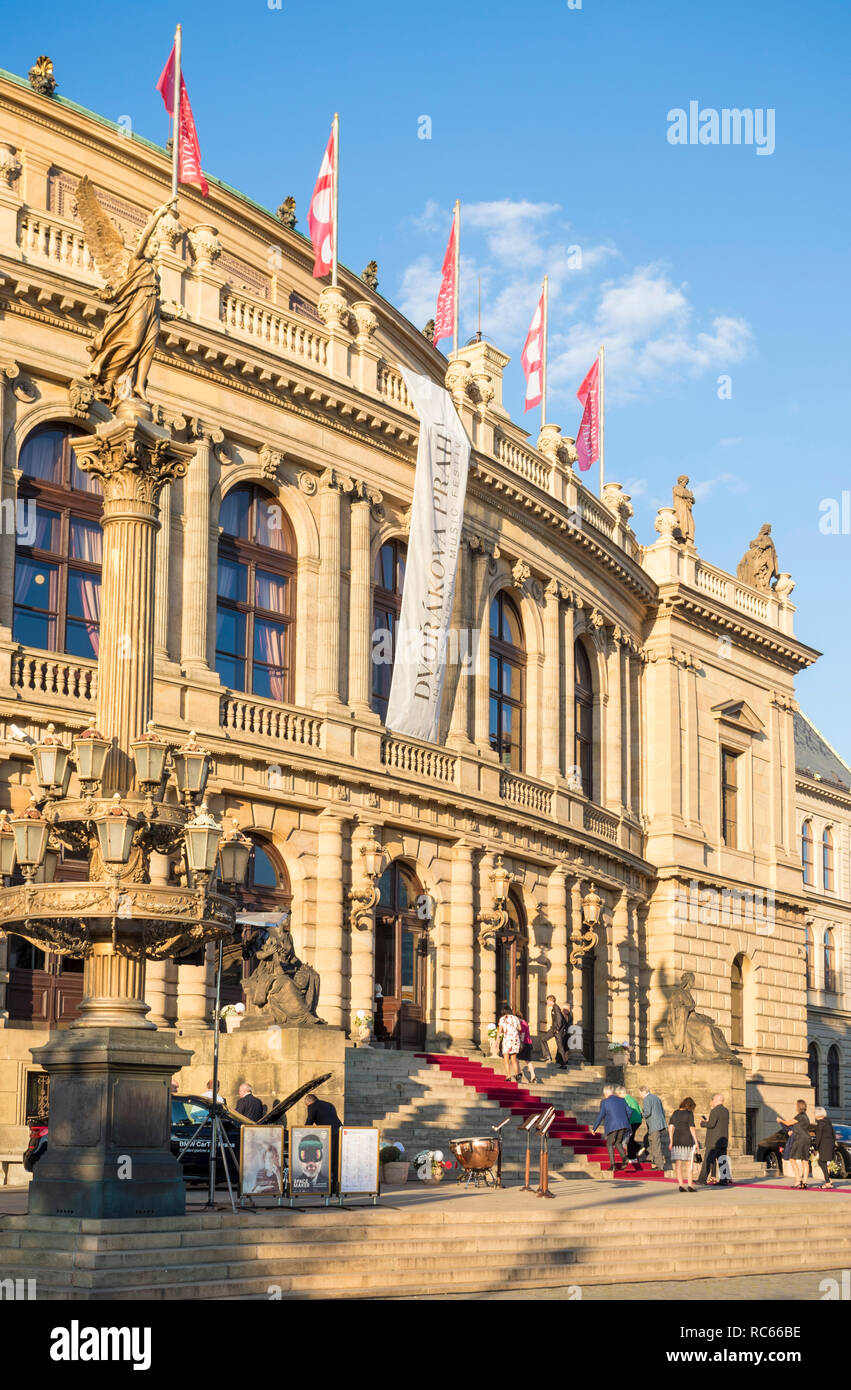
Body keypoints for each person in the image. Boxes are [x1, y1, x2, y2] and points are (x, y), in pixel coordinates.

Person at [591, 1084, 637, 1173]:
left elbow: (601, 1115)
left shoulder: (604, 1102)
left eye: (604, 1093)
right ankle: (624, 1158)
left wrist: (594, 1128)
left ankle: (613, 1165)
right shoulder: (622, 1100)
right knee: (618, 1142)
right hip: (623, 1125)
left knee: (609, 1144)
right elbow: (630, 1111)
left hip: (612, 1125)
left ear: (606, 1093)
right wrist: (625, 1119)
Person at [776, 1100, 812, 1189]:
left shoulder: (800, 1116)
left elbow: (788, 1123)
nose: (795, 1107)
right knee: (805, 1161)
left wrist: (780, 1120)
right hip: (806, 1139)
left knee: (792, 1158)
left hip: (799, 1139)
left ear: (798, 1107)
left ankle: (798, 1180)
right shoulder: (806, 1117)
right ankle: (804, 1182)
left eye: (796, 1105)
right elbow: (800, 1127)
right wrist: (793, 1131)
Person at [697, 1093, 730, 1185]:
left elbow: (711, 1124)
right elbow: (718, 1124)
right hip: (723, 1140)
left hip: (713, 1141)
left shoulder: (715, 1110)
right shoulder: (726, 1111)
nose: (712, 1102)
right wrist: (709, 1121)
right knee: (722, 1160)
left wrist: (703, 1123)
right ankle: (724, 1181)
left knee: (708, 1160)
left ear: (716, 1100)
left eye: (713, 1100)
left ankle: (702, 1180)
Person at [668, 1096, 700, 1192]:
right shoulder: (689, 1114)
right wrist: (696, 1141)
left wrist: (671, 1140)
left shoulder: (675, 1112)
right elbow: (691, 1128)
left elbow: (670, 1127)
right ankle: (690, 1185)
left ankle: (681, 1185)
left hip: (677, 1139)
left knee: (678, 1164)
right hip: (687, 1139)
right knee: (688, 1163)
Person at [638, 1085, 671, 1171]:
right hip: (659, 1124)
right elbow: (662, 1111)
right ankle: (650, 1159)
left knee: (656, 1145)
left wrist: (640, 1115)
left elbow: (647, 1112)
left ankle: (659, 1166)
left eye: (640, 1093)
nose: (640, 1096)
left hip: (654, 1125)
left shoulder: (646, 1099)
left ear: (643, 1092)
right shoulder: (656, 1097)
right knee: (650, 1141)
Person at [539, 994, 570, 1067]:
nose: (547, 1002)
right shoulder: (554, 1008)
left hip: (557, 1031)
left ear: (551, 1001)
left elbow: (560, 1019)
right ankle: (547, 1056)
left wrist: (557, 1029)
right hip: (554, 1029)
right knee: (543, 1039)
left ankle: (563, 1064)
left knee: (560, 1047)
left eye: (547, 1001)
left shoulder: (556, 1008)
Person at [497, 1002, 522, 1083]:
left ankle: (508, 1076)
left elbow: (500, 1031)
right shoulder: (515, 1018)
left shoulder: (502, 1018)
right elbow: (520, 1028)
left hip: (507, 1039)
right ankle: (516, 1073)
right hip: (515, 1039)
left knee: (506, 1059)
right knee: (514, 1059)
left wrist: (497, 1041)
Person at [812, 1106, 837, 1190]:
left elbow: (818, 1137)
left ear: (817, 1114)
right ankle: (828, 1181)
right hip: (830, 1144)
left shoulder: (820, 1123)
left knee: (821, 1162)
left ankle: (827, 1182)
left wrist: (816, 1147)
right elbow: (833, 1134)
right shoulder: (828, 1122)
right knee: (822, 1162)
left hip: (824, 1145)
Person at [617, 1085, 643, 1160]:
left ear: (620, 1093)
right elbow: (640, 1109)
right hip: (638, 1120)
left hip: (632, 1120)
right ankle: (638, 1147)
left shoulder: (625, 1099)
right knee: (630, 1137)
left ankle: (632, 1156)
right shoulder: (632, 1099)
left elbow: (627, 1111)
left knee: (629, 1138)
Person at [517, 1015, 537, 1084]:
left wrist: (520, 1044)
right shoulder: (525, 1023)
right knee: (528, 1061)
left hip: (524, 1044)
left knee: (516, 1058)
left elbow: (522, 1035)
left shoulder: (522, 1024)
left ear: (519, 1018)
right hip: (528, 1043)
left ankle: (519, 1073)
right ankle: (533, 1075)